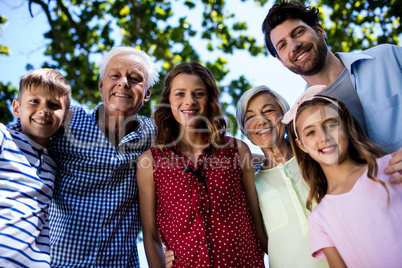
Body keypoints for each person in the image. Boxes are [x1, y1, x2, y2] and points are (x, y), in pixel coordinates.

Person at [137, 62, 267, 267]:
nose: (189, 102)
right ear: (168, 100)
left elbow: (256, 216)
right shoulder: (150, 162)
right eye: (180, 94)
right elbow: (151, 235)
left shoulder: (237, 150)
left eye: (198, 94)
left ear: (210, 99)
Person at [262, 0, 402, 181]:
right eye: (282, 45)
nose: (293, 46)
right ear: (281, 61)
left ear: (320, 30)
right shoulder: (303, 121)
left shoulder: (388, 58)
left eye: (298, 32)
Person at [45, 46, 159, 266]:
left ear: (147, 93)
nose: (124, 82)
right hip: (59, 263)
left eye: (135, 78)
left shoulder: (155, 137)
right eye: (114, 75)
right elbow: (20, 138)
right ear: (100, 84)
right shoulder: (68, 123)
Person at [282, 88, 402, 267]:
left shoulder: (392, 166)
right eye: (310, 132)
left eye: (331, 124)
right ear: (302, 146)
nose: (323, 137)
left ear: (346, 125)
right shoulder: (319, 219)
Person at [235, 85, 328, 268]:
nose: (261, 120)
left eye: (268, 110)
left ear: (285, 116)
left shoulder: (316, 156)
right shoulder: (251, 184)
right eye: (251, 116)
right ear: (245, 131)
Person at [1, 68, 72, 267]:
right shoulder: (4, 138)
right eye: (34, 101)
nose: (44, 110)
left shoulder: (54, 164)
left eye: (53, 104)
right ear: (16, 108)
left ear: (66, 118)